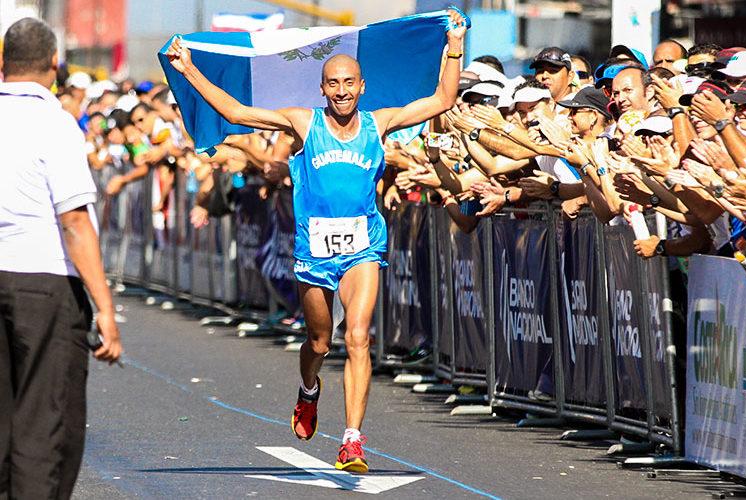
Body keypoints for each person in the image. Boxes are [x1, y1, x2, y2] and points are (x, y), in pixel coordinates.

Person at [165, 9, 468, 473]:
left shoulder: (380, 123)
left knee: (360, 335)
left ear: (362, 87)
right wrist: (189, 70)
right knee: (320, 342)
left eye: (349, 82)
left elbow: (444, 97)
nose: (342, 90)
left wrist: (454, 45)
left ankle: (352, 439)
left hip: (363, 246)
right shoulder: (303, 122)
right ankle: (309, 391)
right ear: (322, 89)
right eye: (333, 83)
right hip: (315, 251)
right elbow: (239, 113)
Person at [0, 17, 122, 499]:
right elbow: (74, 220)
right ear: (54, 64)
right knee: (45, 426)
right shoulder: (55, 123)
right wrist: (106, 308)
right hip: (44, 281)